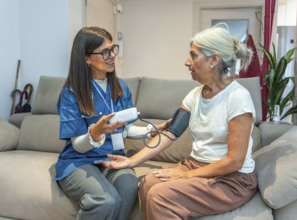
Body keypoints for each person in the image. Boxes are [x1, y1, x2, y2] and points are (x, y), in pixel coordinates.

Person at [100, 23, 257, 220]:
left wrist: (186, 176)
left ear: (213, 60)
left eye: (193, 55)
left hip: (231, 179)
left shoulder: (238, 98)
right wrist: (132, 160)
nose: (186, 62)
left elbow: (235, 161)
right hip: (197, 165)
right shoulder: (195, 95)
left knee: (160, 197)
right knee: (148, 183)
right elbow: (170, 132)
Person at [54, 27, 169, 220]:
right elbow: (77, 146)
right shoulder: (71, 92)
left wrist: (152, 130)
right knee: (105, 200)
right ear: (86, 58)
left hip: (112, 157)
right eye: (105, 52)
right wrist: (95, 133)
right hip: (79, 161)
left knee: (129, 189)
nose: (113, 55)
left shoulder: (121, 86)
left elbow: (125, 129)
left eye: (112, 49)